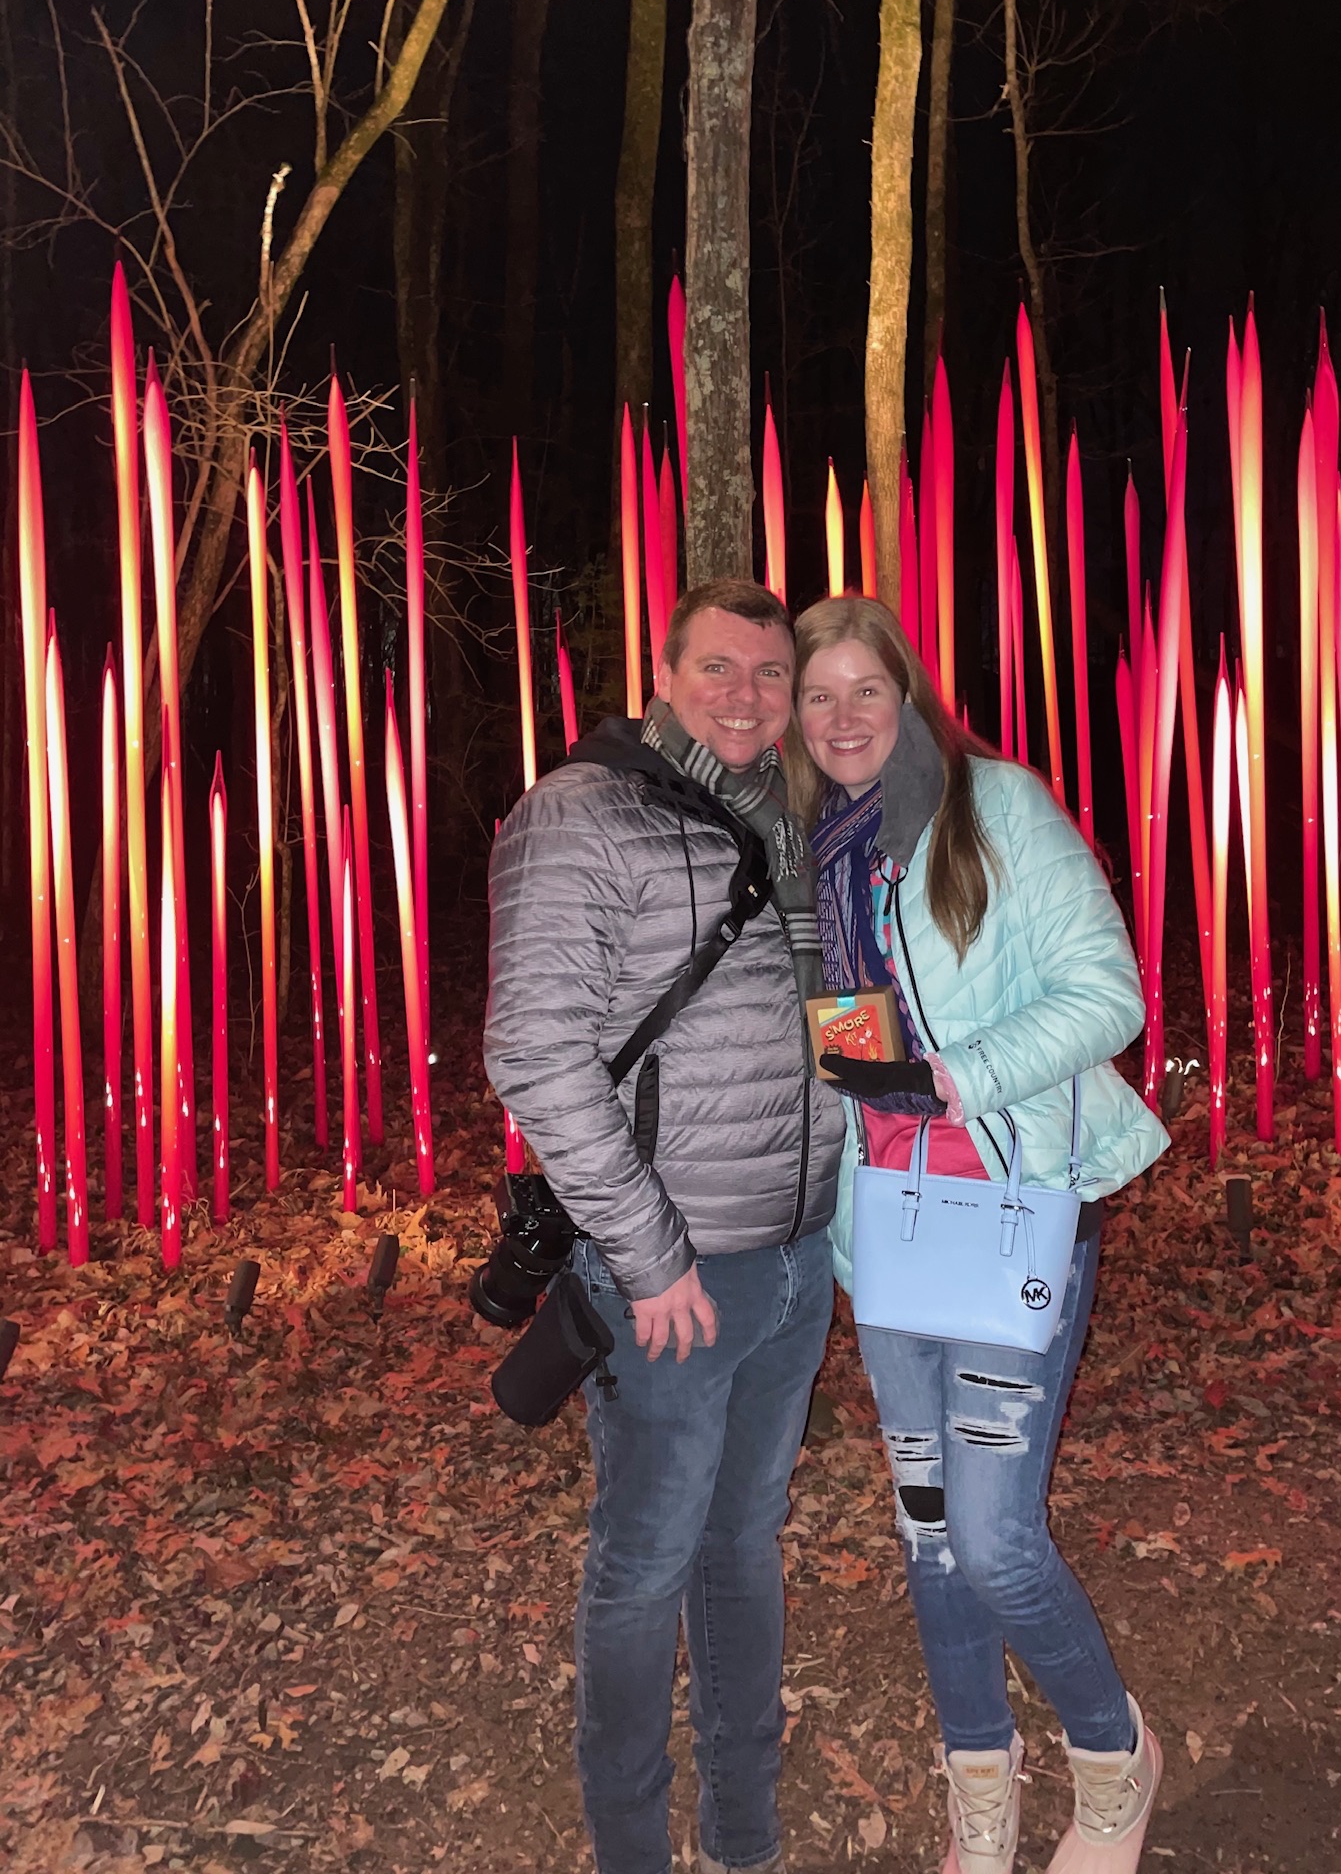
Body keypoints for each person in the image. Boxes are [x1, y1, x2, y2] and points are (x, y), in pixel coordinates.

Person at [786, 595, 1170, 1874]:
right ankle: (981, 1782)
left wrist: (959, 1075)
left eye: (864, 689)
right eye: (818, 694)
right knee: (931, 1520)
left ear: (908, 695)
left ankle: (1114, 1754)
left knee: (998, 1533)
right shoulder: (814, 849)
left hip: (1009, 1214)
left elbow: (1106, 991)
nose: (841, 717)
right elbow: (842, 1039)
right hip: (888, 1235)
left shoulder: (994, 805)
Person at [484, 579, 844, 1874]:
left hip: (799, 1265)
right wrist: (651, 1257)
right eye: (720, 669)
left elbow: (833, 1013)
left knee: (745, 1542)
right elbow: (532, 1056)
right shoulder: (581, 814)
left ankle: (746, 1837)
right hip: (675, 1284)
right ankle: (633, 1851)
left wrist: (883, 1152)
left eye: (768, 674)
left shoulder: (793, 823)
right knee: (645, 1565)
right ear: (666, 670)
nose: (746, 697)